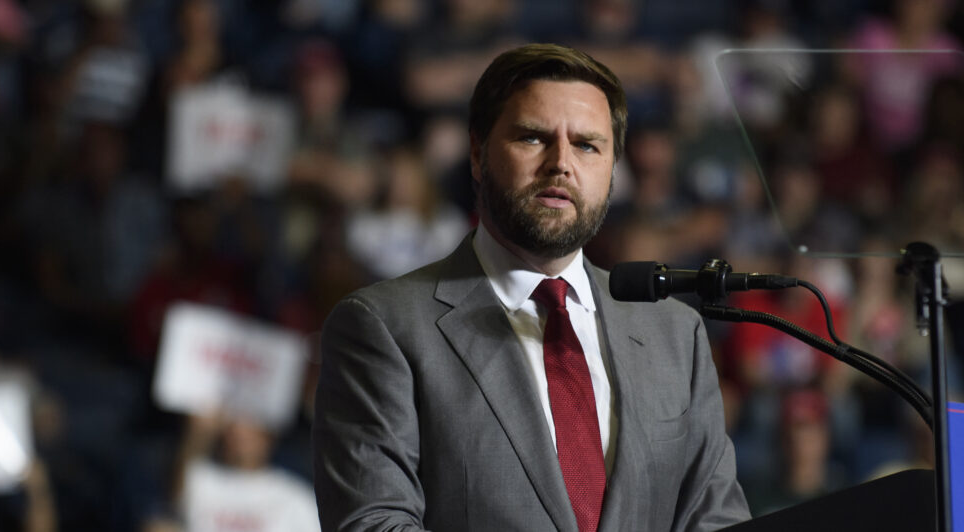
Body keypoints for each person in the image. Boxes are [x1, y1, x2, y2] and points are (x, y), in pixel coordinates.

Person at [313, 43, 750, 531]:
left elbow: (716, 519)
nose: (561, 163)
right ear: (478, 155)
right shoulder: (384, 327)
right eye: (533, 138)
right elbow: (373, 524)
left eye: (587, 145)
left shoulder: (676, 333)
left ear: (612, 171)